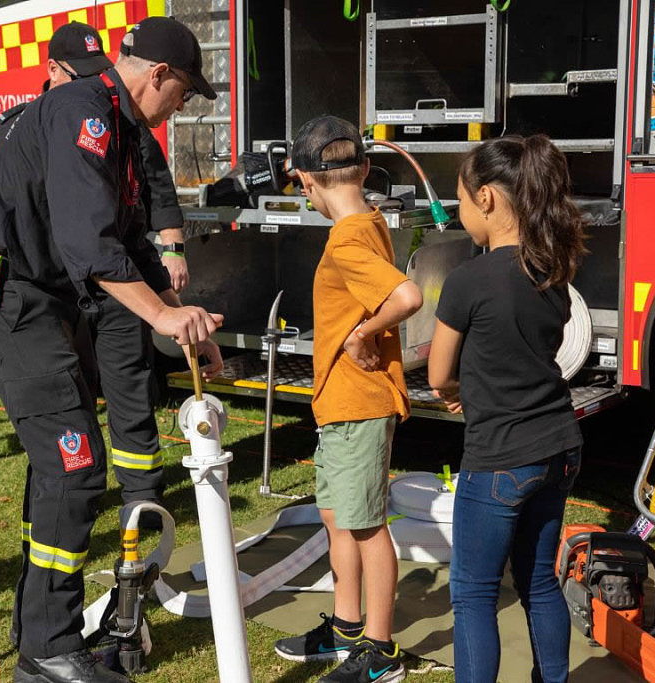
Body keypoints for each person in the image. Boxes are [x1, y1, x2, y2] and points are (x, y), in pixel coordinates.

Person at [0, 16, 222, 683]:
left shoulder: (117, 121)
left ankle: (38, 634)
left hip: (38, 301)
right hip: (11, 299)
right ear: (157, 75)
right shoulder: (86, 114)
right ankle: (49, 646)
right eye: (183, 93)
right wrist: (162, 313)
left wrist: (187, 322)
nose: (180, 108)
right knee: (75, 469)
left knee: (60, 470)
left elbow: (129, 236)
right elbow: (88, 243)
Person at [428, 134, 585, 683]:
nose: (461, 213)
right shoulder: (553, 270)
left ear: (488, 199)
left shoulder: (467, 279)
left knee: (472, 593)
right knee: (539, 580)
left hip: (499, 457)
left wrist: (455, 391)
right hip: (560, 446)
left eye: (462, 201)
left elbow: (437, 373)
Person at [274, 115, 421, 683]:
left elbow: (406, 295)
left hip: (360, 405)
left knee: (365, 527)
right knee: (339, 519)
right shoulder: (370, 221)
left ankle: (380, 653)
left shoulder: (347, 238)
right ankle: (345, 628)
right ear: (362, 168)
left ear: (306, 183)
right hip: (340, 405)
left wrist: (361, 334)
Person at [43, 21, 190, 520]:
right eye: (79, 73)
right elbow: (81, 233)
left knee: (128, 377)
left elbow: (145, 195)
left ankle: (142, 495)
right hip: (61, 283)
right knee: (70, 390)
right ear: (52, 72)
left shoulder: (124, 120)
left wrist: (170, 264)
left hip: (116, 277)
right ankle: (79, 490)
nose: (91, 80)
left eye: (97, 70)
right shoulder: (47, 120)